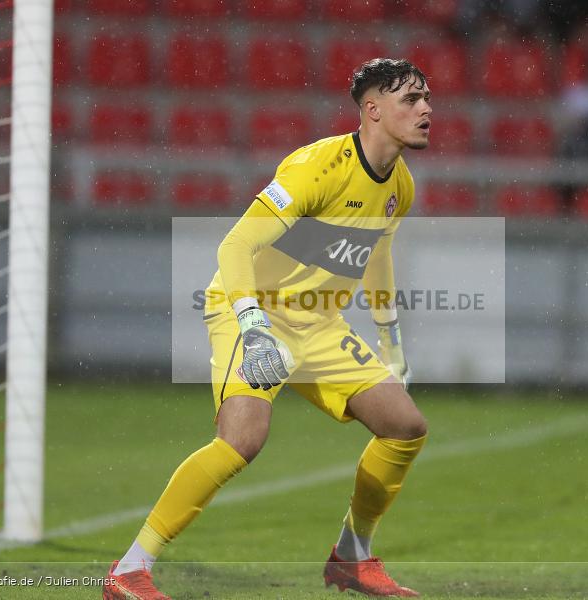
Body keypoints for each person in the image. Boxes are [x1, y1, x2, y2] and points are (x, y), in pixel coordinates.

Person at [103, 58, 432, 600]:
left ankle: (352, 558)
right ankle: (129, 570)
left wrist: (390, 341)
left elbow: (377, 254)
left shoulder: (401, 185)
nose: (426, 109)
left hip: (318, 323)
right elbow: (236, 245)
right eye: (411, 99)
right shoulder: (317, 167)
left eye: (426, 98)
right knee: (242, 441)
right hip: (253, 309)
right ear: (373, 110)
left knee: (405, 426)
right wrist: (252, 325)